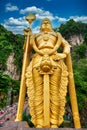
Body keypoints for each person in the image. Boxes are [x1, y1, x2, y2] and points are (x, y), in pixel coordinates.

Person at [25, 18, 71, 128]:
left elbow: (66, 46)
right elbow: (26, 49)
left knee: (55, 91)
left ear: (51, 25)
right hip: (37, 61)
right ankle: (39, 121)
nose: (46, 23)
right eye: (43, 22)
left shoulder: (57, 35)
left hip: (54, 60)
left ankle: (54, 121)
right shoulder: (35, 36)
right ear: (40, 25)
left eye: (48, 22)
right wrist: (27, 38)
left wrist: (63, 54)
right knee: (37, 92)